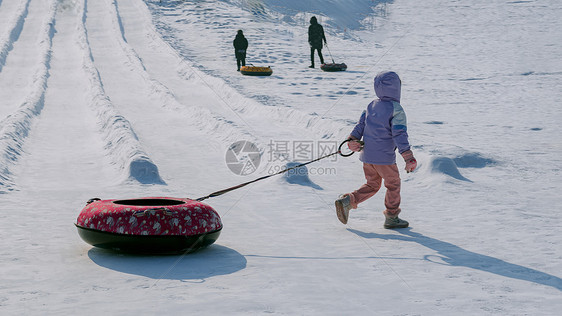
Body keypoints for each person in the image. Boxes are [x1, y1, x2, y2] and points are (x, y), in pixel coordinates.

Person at [334, 71, 417, 229]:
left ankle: (348, 201)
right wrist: (408, 157)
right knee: (393, 184)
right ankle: (392, 217)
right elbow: (399, 134)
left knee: (372, 185)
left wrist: (352, 139)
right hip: (384, 158)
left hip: (367, 156)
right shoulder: (396, 109)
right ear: (396, 88)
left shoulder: (371, 105)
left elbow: (360, 126)